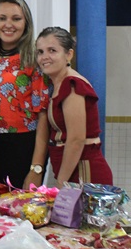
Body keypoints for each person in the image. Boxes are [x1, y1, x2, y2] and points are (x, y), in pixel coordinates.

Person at [0, 0, 50, 189]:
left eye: (16, 19)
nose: (8, 24)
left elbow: (43, 116)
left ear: (26, 23)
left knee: (22, 213)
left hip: (24, 145)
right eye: (2, 18)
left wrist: (36, 168)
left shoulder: (35, 59)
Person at [35, 27, 113, 187]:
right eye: (40, 52)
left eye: (52, 50)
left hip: (86, 173)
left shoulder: (72, 85)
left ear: (69, 54)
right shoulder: (55, 85)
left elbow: (76, 140)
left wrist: (59, 185)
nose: (44, 57)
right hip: (71, 171)